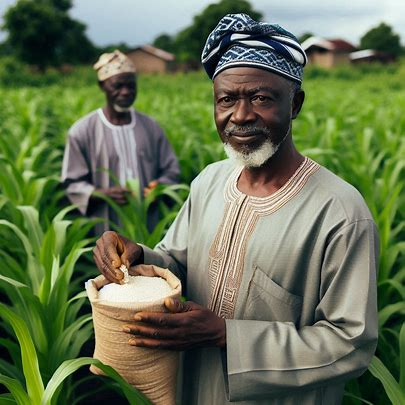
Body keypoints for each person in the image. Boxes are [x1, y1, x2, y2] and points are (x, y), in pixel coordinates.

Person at [93, 14, 378, 405]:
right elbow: (178, 262)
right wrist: (139, 255)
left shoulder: (340, 213)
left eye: (261, 98)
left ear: (294, 104)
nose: (240, 115)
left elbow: (350, 343)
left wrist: (228, 334)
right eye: (227, 99)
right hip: (190, 390)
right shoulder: (209, 182)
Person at [61, 50, 180, 235]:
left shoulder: (151, 127)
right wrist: (101, 194)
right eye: (117, 86)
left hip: (147, 225)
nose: (125, 92)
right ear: (102, 85)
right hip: (106, 226)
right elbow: (72, 183)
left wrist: (159, 187)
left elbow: (171, 169)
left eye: (131, 86)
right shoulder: (82, 131)